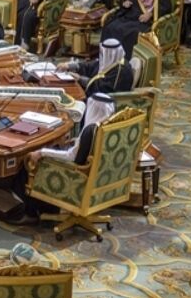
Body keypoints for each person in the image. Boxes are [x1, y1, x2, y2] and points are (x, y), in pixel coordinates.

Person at [9, 94, 116, 225]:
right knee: (55, 148)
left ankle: (30, 213)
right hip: (100, 177)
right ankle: (49, 209)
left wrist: (41, 153)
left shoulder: (91, 130)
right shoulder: (110, 127)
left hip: (76, 176)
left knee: (28, 164)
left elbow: (70, 156)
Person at [58, 38, 134, 96]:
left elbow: (103, 89)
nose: (102, 55)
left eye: (104, 53)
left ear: (110, 54)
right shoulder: (111, 59)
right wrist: (69, 66)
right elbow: (91, 66)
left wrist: (80, 79)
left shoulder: (122, 71)